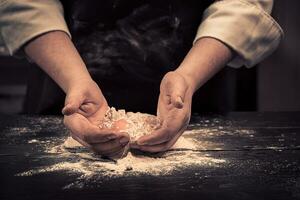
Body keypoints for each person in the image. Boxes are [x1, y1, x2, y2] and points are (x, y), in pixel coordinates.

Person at [0, 0, 283, 157]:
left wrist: (187, 77)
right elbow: (24, 3)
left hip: (196, 86)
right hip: (64, 77)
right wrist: (75, 80)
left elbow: (242, 4)